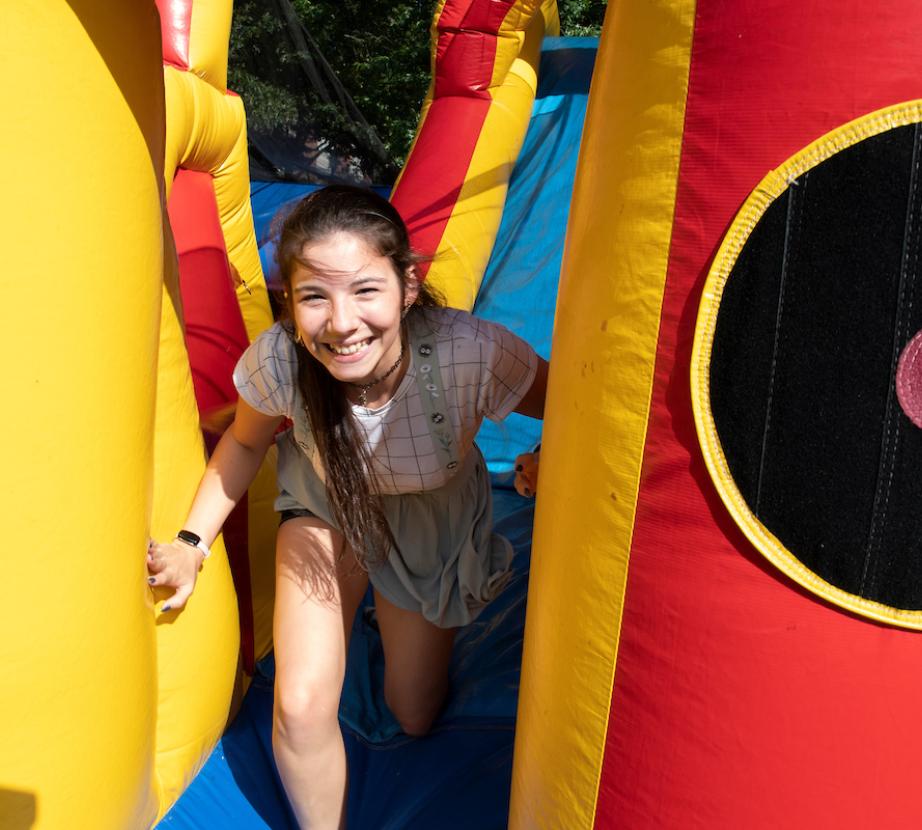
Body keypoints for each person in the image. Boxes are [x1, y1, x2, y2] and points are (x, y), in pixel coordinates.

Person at [147, 185, 547, 829]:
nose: (340, 322)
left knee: (414, 715)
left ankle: (377, 614)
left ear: (407, 286)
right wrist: (191, 545)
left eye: (365, 289)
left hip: (428, 519)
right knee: (301, 706)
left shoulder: (469, 351)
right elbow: (246, 443)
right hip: (326, 507)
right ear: (290, 301)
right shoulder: (282, 358)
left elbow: (579, 402)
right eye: (314, 296)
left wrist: (547, 456)